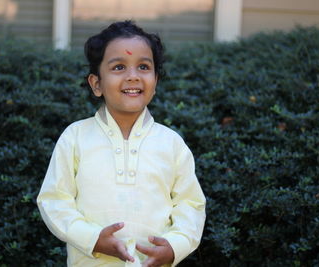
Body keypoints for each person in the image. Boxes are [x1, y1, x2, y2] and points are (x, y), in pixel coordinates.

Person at [37, 20, 206, 267]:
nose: (133, 76)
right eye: (119, 67)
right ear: (96, 84)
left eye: (143, 67)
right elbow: (54, 200)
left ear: (155, 81)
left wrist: (175, 246)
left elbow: (190, 204)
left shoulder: (171, 144)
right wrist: (92, 239)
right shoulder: (75, 137)